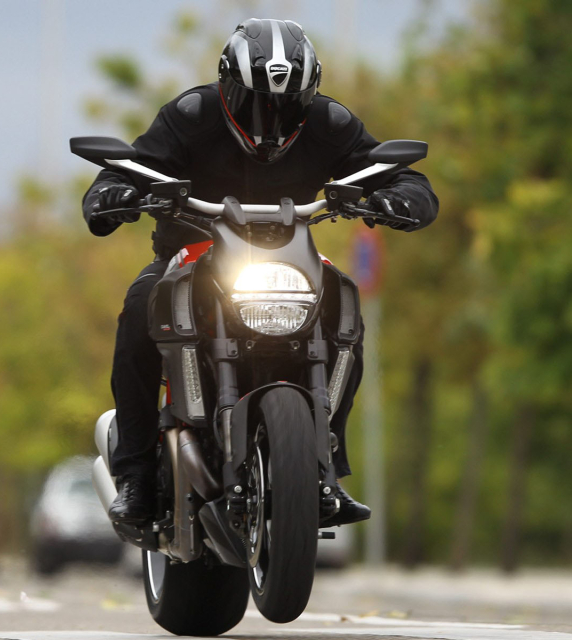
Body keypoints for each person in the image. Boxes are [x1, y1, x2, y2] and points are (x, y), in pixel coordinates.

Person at [82, 18, 439, 527]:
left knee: (342, 299)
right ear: (227, 84)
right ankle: (136, 474)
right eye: (255, 102)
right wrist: (112, 193)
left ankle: (324, 467)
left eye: (288, 104)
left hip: (289, 258)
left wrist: (402, 198)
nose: (269, 118)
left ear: (309, 95)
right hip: (190, 251)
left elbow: (398, 175)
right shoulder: (191, 114)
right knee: (141, 305)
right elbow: (132, 166)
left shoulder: (330, 122)